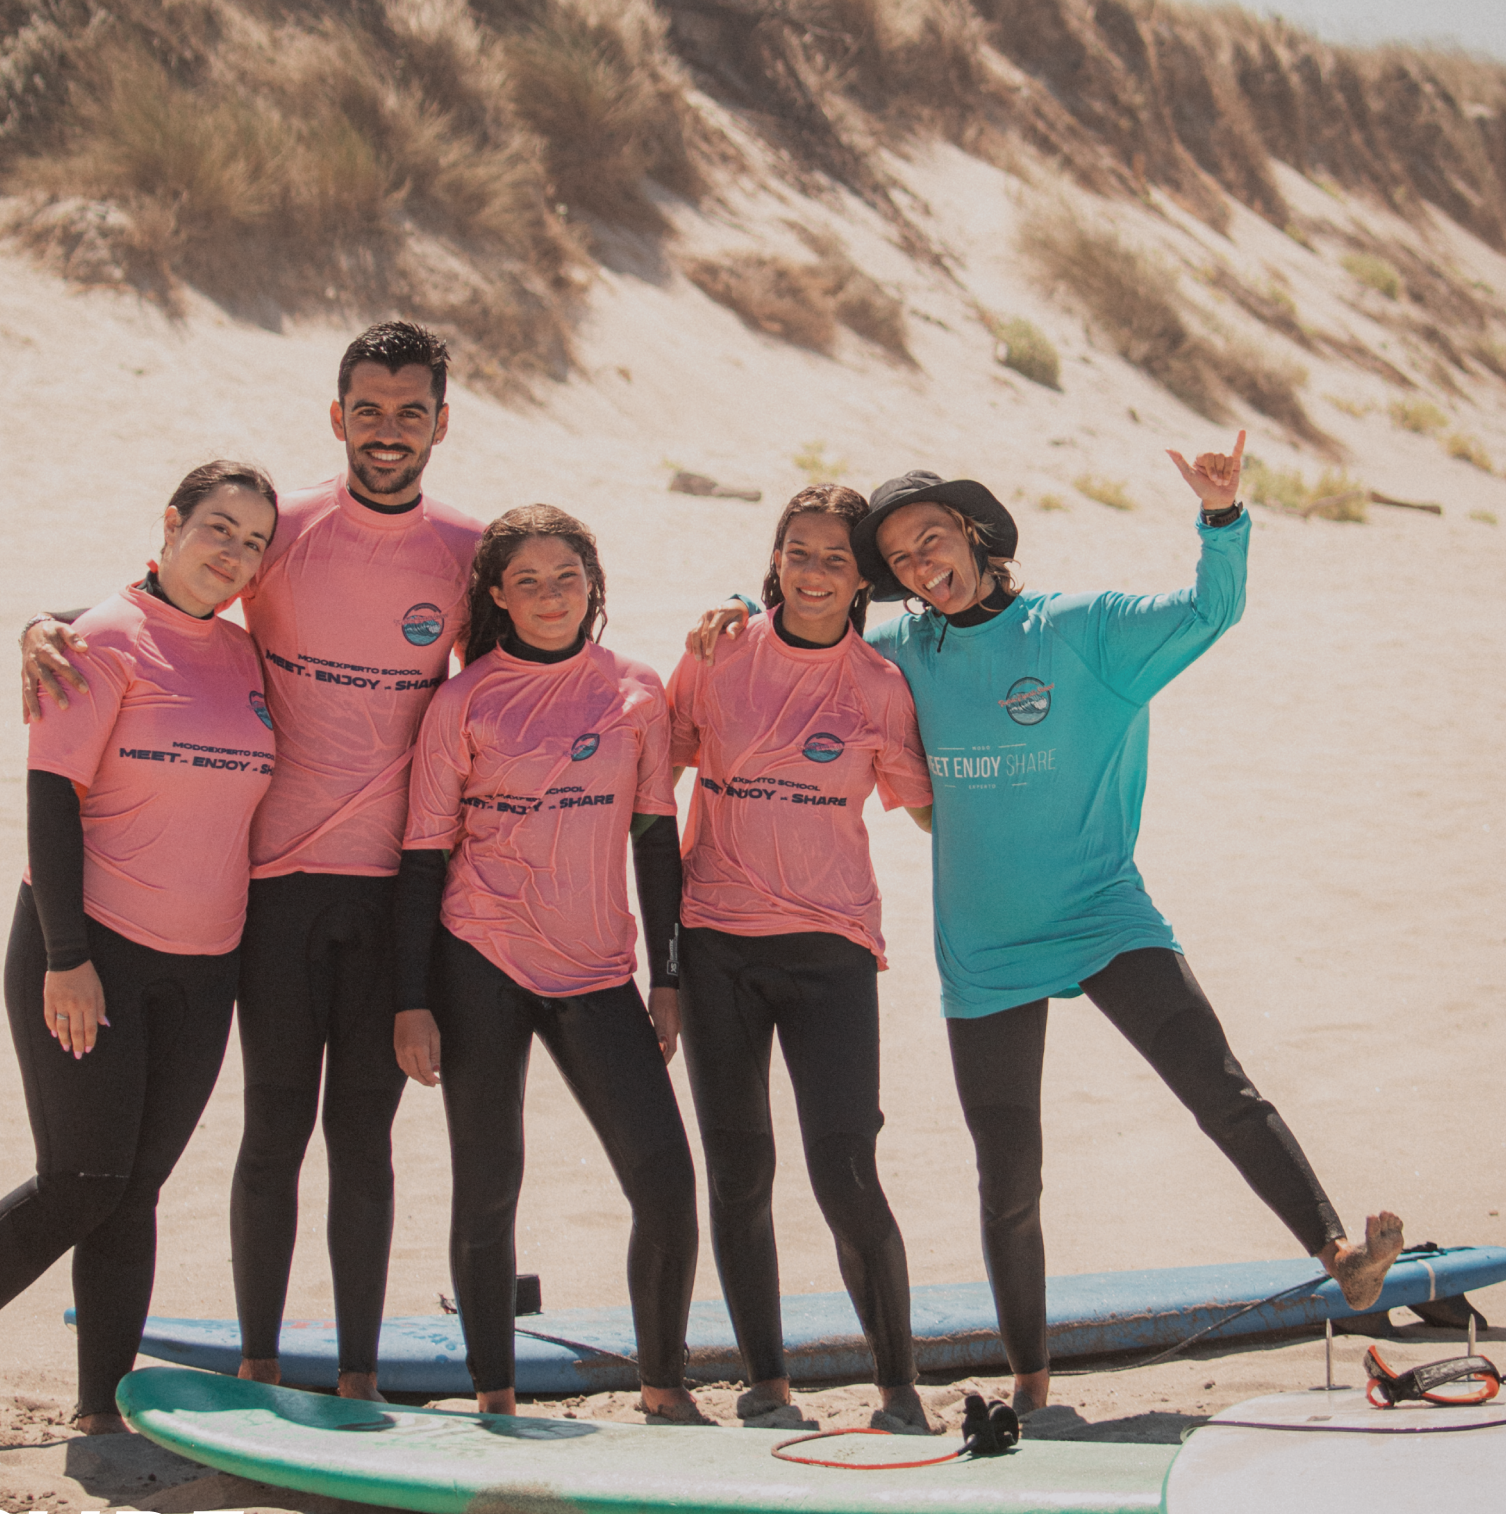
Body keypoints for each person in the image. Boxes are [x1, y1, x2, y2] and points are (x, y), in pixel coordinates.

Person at [695, 433, 1403, 1415]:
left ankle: (1334, 1250)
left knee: (1217, 1082)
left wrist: (1222, 517)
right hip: (985, 944)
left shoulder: (1086, 630)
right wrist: (741, 599)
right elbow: (806, 614)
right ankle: (1030, 1381)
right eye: (897, 559)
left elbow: (1213, 608)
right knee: (1008, 1171)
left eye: (931, 539)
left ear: (978, 533)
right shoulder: (899, 651)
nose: (919, 566)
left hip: (1104, 913)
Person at [21, 322, 480, 1401]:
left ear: (441, 425)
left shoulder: (466, 552)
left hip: (393, 893)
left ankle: (360, 1371)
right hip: (270, 889)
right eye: (367, 409)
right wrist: (46, 624)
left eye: (410, 411)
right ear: (337, 416)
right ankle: (263, 1359)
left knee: (363, 1137)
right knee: (272, 1127)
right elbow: (165, 602)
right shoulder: (286, 534)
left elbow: (526, 679)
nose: (387, 430)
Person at [0, 462, 279, 1432]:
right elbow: (50, 799)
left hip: (207, 964)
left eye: (253, 542)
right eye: (216, 529)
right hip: (91, 951)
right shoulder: (100, 640)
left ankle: (100, 1407)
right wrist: (67, 956)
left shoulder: (246, 660)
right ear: (170, 523)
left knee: (136, 1188)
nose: (231, 554)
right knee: (82, 1179)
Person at [392, 506, 703, 1421]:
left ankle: (663, 1386)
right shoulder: (464, 701)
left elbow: (655, 842)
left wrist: (669, 976)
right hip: (479, 956)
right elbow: (421, 855)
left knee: (665, 1180)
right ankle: (496, 1393)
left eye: (565, 577)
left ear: (592, 584)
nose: (549, 596)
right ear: (496, 594)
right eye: (525, 581)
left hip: (598, 965)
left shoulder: (637, 691)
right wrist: (411, 998)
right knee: (489, 1183)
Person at [668, 485, 938, 1432]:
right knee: (740, 1167)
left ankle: (899, 1387)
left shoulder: (879, 685)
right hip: (716, 945)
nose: (813, 571)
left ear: (863, 575)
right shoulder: (715, 653)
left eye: (834, 557)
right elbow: (650, 785)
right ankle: (766, 1382)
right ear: (773, 558)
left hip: (831, 949)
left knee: (844, 1166)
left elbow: (929, 809)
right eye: (797, 551)